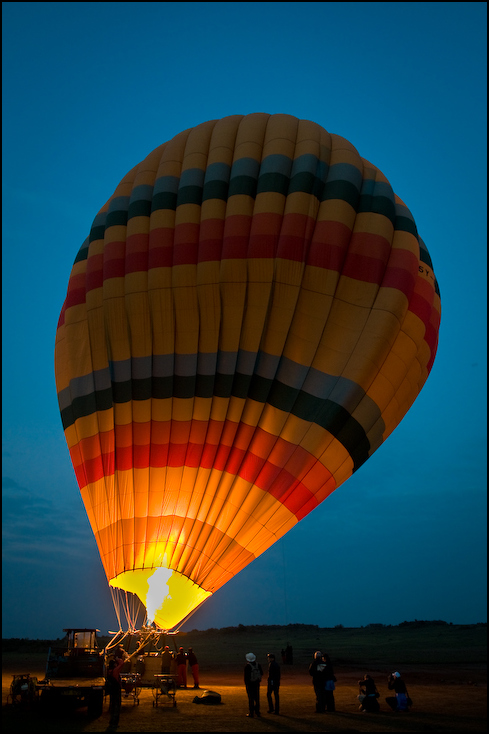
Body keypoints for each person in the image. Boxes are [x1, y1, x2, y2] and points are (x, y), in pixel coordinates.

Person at [244, 652, 263, 718]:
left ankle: (251, 713)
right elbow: (261, 673)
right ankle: (257, 712)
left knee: (251, 699)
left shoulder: (248, 666)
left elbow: (246, 677)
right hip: (257, 683)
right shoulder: (258, 665)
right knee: (257, 698)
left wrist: (246, 684)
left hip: (250, 684)